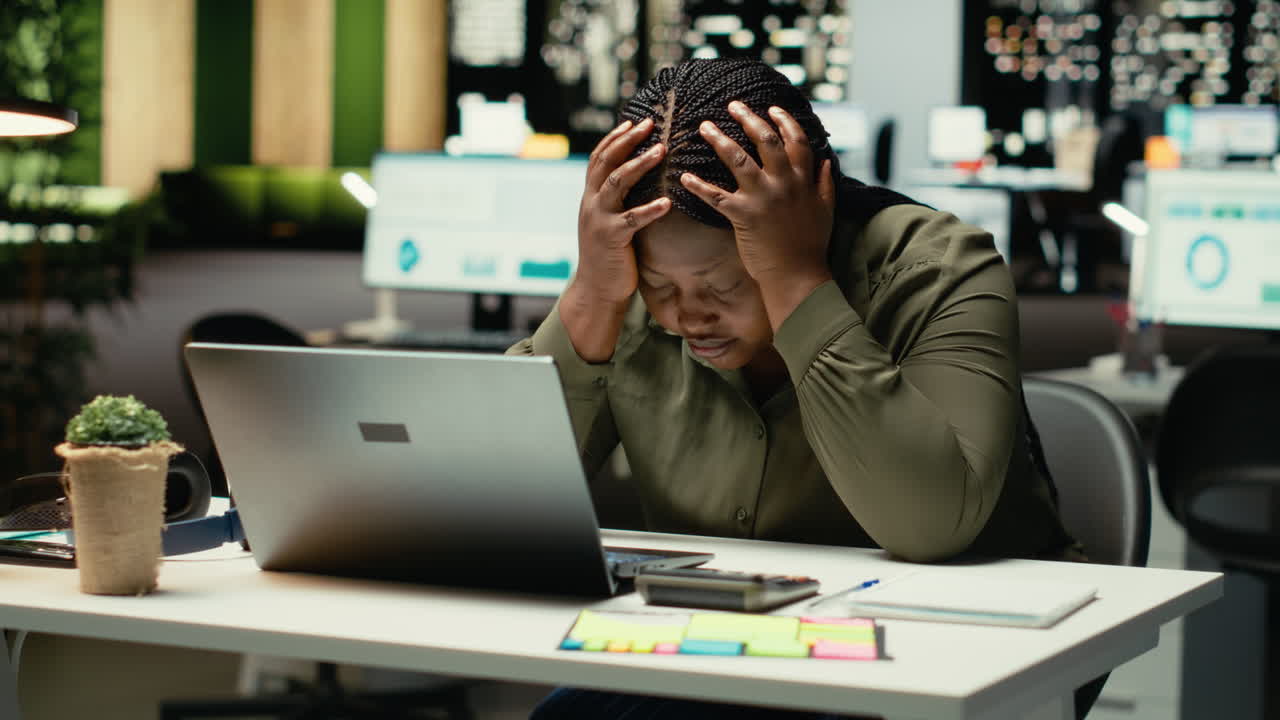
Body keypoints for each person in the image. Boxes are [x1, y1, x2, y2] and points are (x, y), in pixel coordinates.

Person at [508, 58, 1088, 718]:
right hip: (722, 648)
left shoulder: (938, 268)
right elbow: (494, 510)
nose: (687, 314)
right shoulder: (622, 285)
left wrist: (793, 281)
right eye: (661, 288)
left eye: (724, 285)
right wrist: (591, 294)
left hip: (951, 653)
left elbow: (928, 526)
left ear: (815, 213)